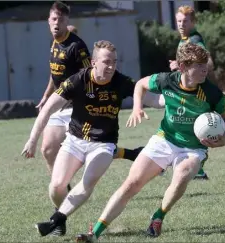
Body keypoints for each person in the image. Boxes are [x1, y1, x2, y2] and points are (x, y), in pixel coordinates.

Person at [75, 43, 225, 242]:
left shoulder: (211, 92)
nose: (205, 70)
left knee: (182, 174)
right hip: (165, 139)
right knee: (131, 184)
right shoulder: (166, 80)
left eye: (205, 65)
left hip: (194, 148)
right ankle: (95, 233)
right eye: (199, 66)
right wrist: (136, 107)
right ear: (184, 67)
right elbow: (140, 84)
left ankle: (159, 215)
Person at [22, 40, 165, 237]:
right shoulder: (78, 81)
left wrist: (178, 95)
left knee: (86, 183)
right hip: (74, 140)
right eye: (106, 62)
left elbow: (154, 100)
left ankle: (56, 220)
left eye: (114, 62)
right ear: (93, 62)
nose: (111, 66)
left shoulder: (120, 82)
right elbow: (47, 109)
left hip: (104, 145)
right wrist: (32, 139)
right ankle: (61, 218)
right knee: (56, 186)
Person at [38, 1, 146, 191]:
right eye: (54, 19)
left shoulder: (78, 47)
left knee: (93, 144)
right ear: (48, 21)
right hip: (60, 102)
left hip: (77, 105)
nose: (56, 23)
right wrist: (47, 95)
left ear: (67, 21)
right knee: (47, 149)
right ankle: (62, 188)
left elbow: (89, 73)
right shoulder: (53, 43)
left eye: (60, 20)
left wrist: (86, 97)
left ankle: (131, 154)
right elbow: (54, 72)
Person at [169, 5, 225, 179]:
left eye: (185, 21)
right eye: (178, 21)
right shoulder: (184, 39)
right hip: (192, 88)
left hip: (201, 89)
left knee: (198, 128)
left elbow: (208, 63)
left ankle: (199, 171)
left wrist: (186, 67)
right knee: (199, 127)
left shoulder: (194, 39)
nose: (181, 24)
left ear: (193, 22)